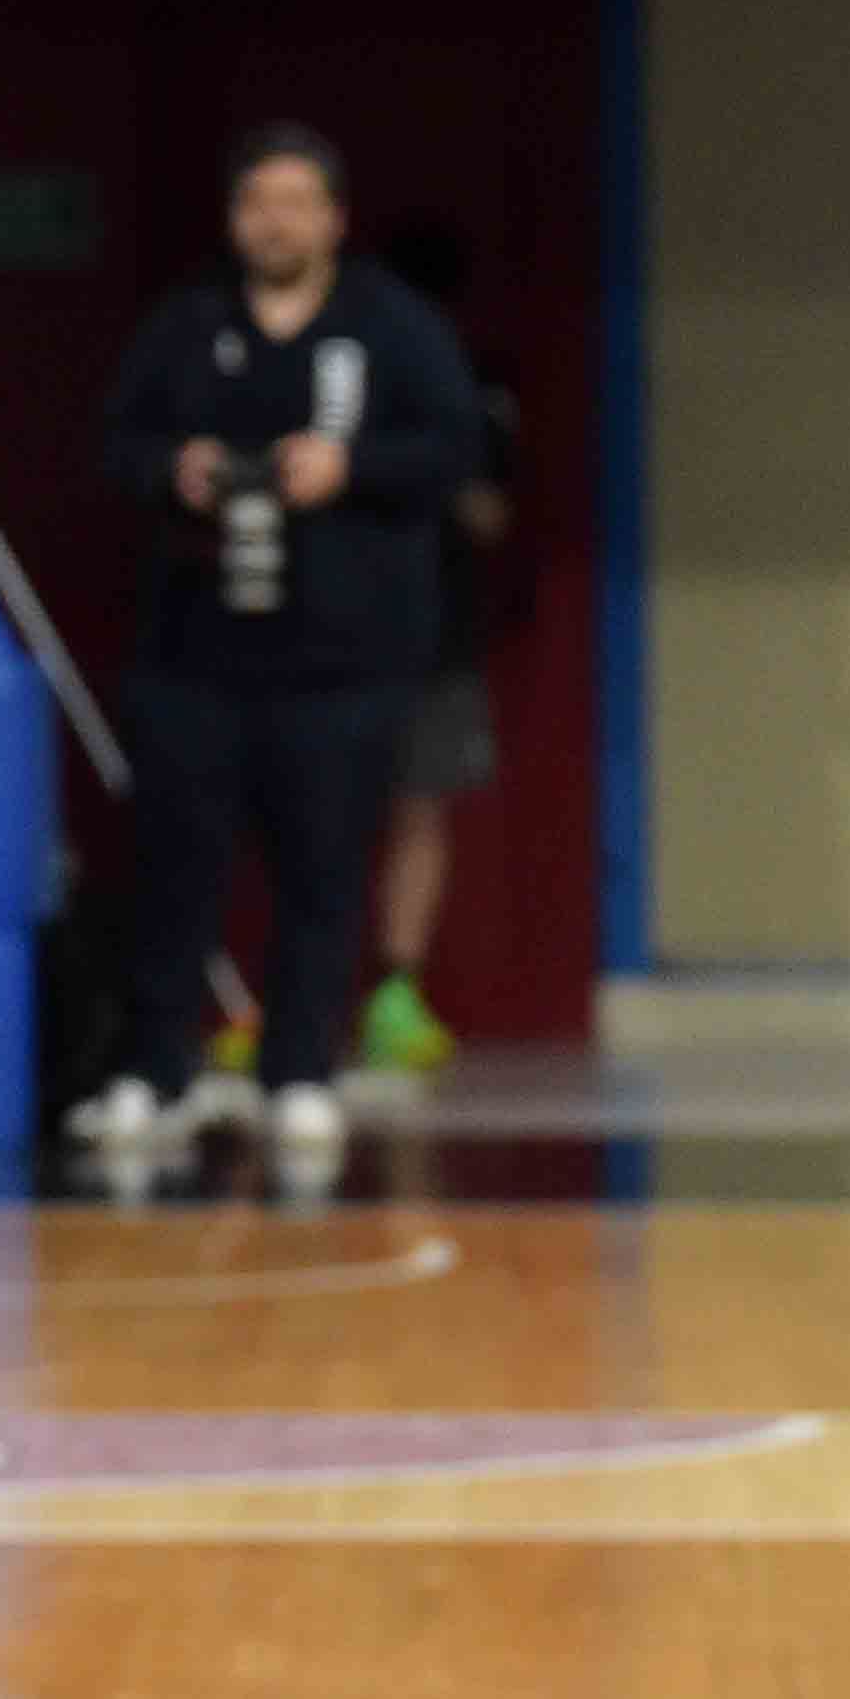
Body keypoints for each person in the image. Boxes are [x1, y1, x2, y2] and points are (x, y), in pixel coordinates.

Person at [72, 124, 480, 1169]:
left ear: (332, 218)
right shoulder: (188, 324)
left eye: (297, 203)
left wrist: (347, 468)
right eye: (258, 203)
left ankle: (299, 1071)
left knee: (323, 870)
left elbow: (453, 446)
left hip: (343, 660)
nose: (276, 223)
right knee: (174, 868)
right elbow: (115, 443)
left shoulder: (390, 327)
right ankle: (154, 1071)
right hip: (193, 653)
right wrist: (178, 468)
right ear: (233, 217)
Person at [363, 214, 517, 1076]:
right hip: (332, 634)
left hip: (438, 632)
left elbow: (491, 515)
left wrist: (438, 465)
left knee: (420, 806)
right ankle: (296, 989)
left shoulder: (478, 392)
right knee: (313, 811)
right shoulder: (340, 384)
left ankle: (396, 990)